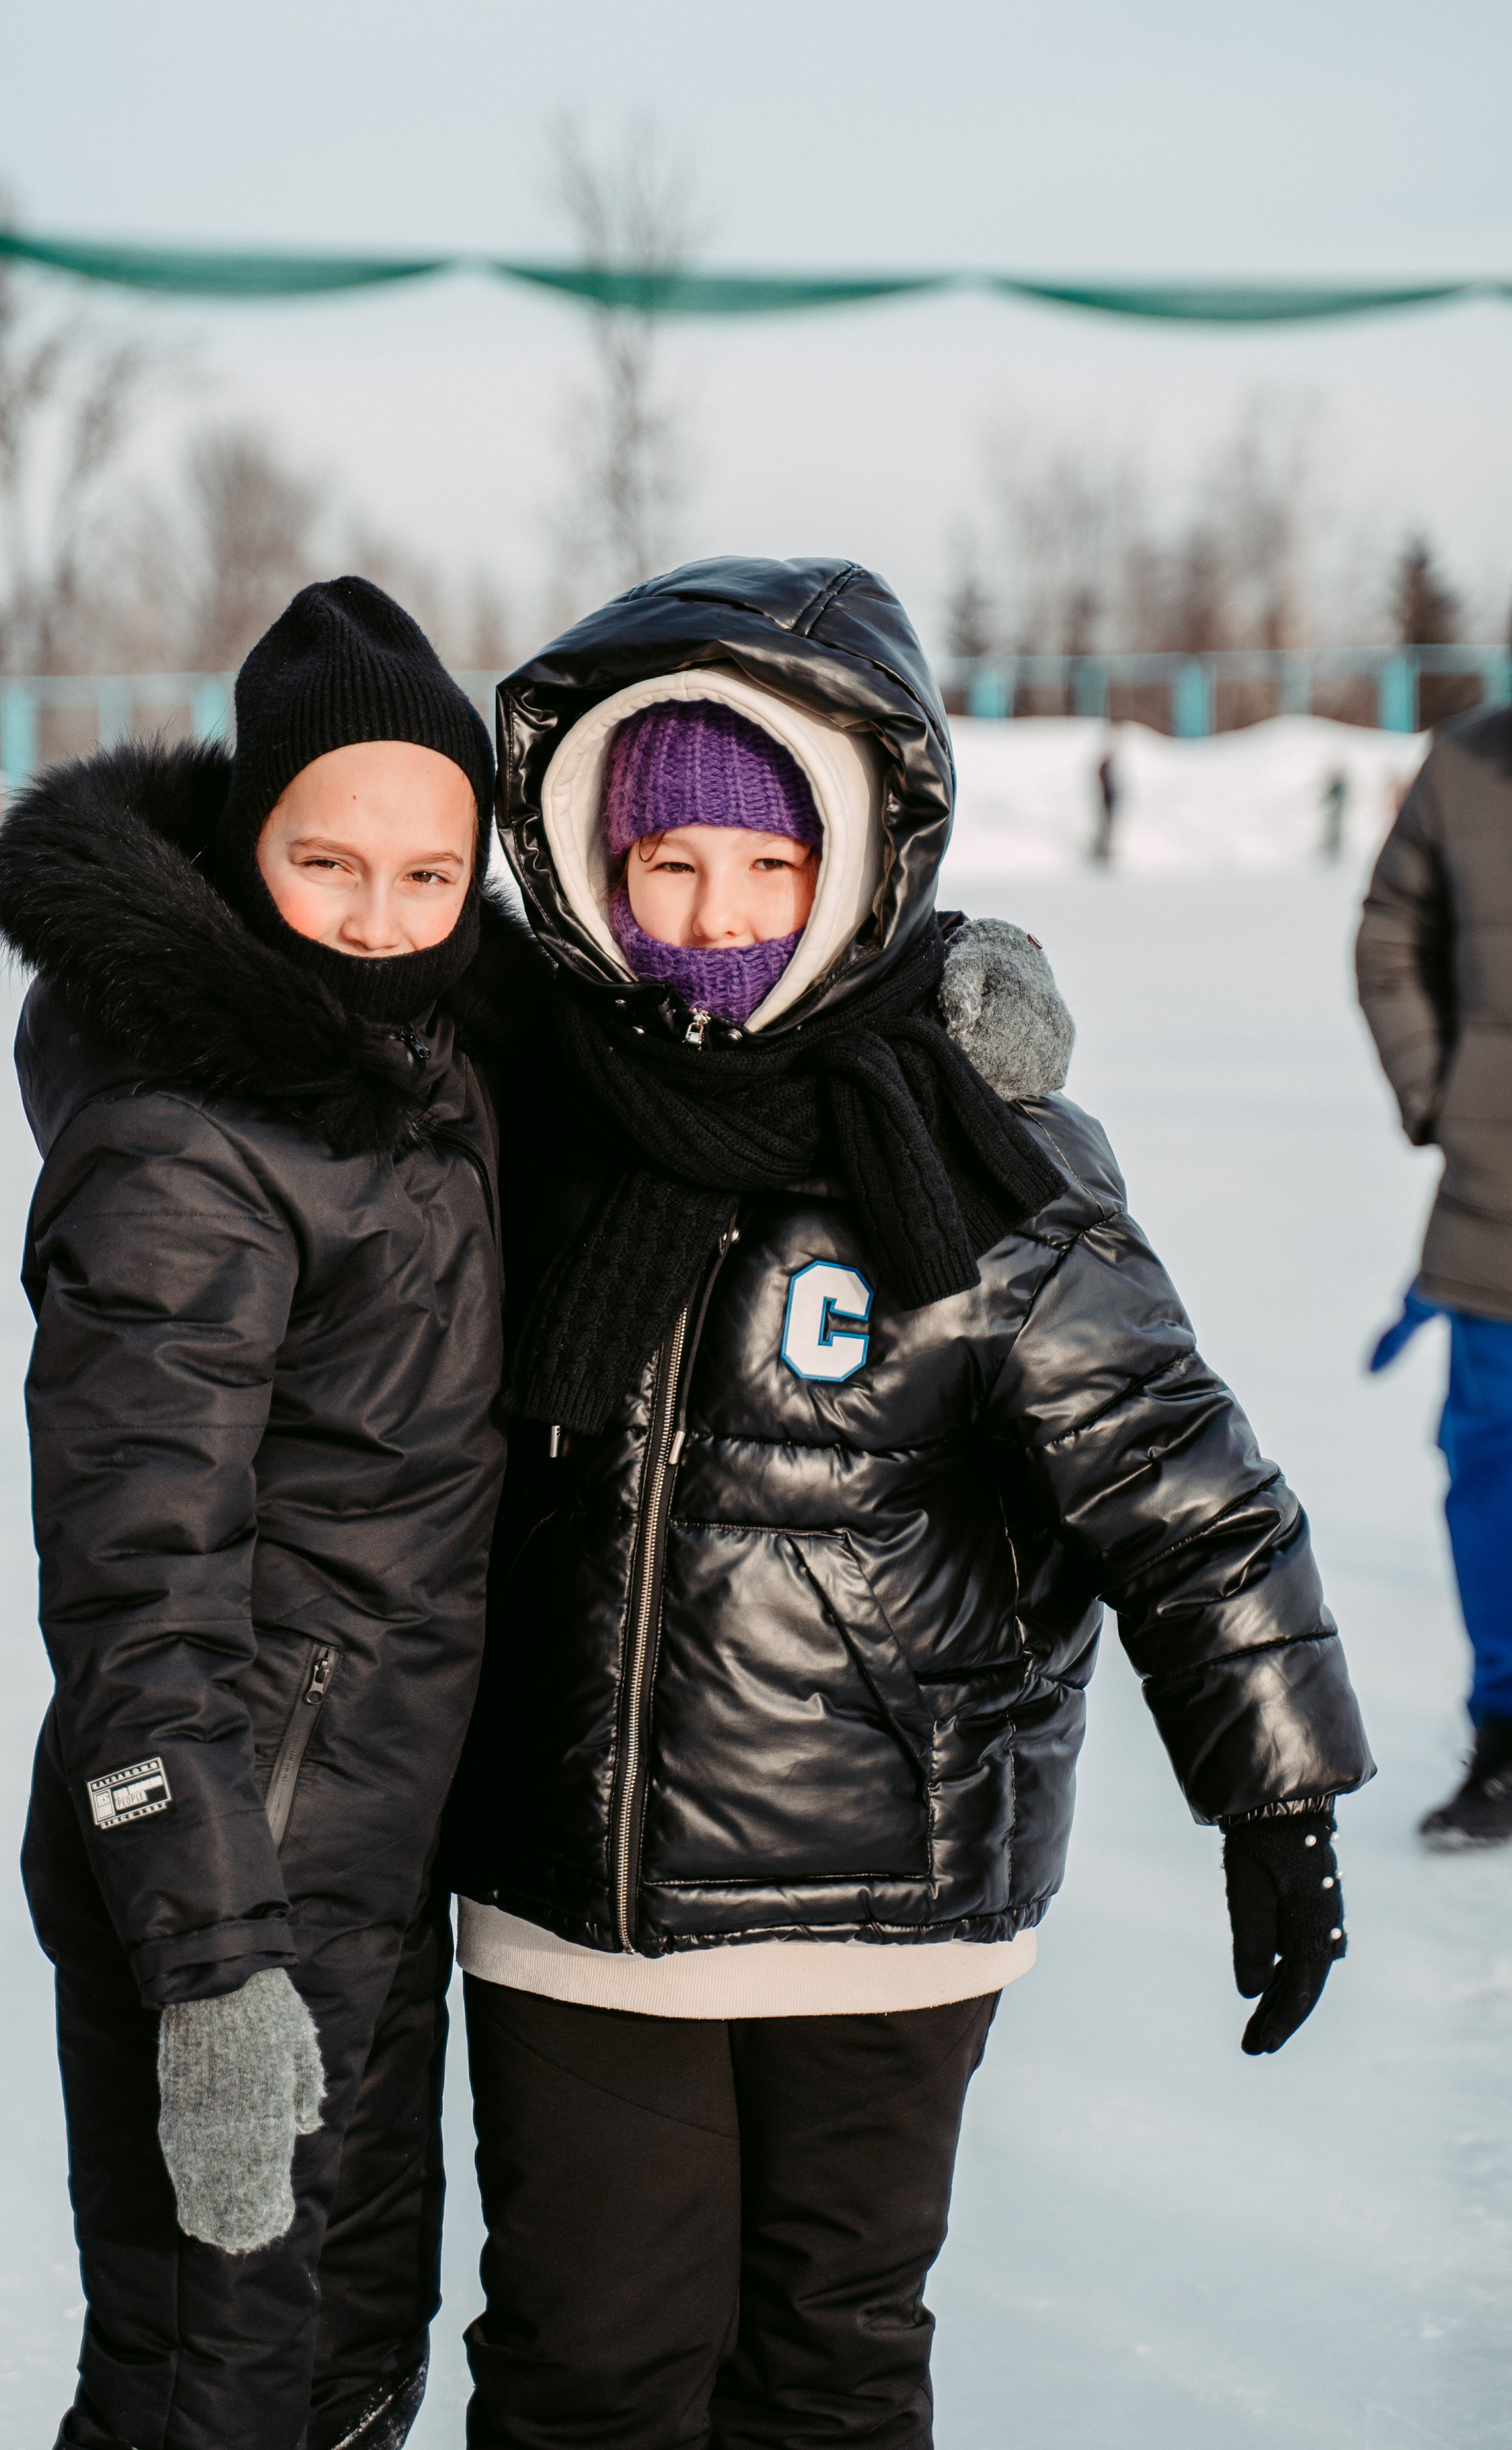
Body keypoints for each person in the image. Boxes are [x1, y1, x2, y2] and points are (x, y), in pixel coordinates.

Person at [449, 555, 1375, 2449]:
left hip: (892, 1880)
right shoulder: (519, 1114)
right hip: (579, 1879)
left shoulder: (974, 1143)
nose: (718, 913)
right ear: (595, 865)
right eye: (668, 861)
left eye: (768, 861)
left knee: (830, 2365)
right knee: (584, 2366)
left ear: (859, 863)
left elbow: (1173, 1476)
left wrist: (1276, 1793)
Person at [0, 579, 527, 2450]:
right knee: (202, 2395)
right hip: (230, 1886)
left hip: (367, 1858)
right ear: (245, 849)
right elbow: (135, 1588)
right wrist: (212, 1974)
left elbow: (719, 1035)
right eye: (328, 864)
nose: (380, 920)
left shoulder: (422, 1062)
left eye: (428, 875)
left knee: (343, 2373)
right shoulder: (185, 1146)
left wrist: (950, 1017)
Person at [1357, 699, 1512, 1845]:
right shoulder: (1467, 765)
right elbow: (1390, 935)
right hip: (1497, 1209)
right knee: (1496, 1477)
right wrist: (1443, 1097)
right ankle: (1508, 1727)